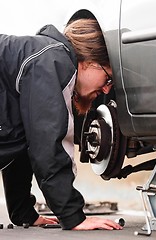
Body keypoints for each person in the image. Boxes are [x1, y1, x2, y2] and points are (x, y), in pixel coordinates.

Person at [0, 18, 122, 230]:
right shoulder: (53, 62)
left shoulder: (44, 57)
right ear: (90, 62)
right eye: (108, 78)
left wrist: (24, 213)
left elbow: (23, 141)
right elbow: (47, 143)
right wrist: (73, 216)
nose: (106, 90)